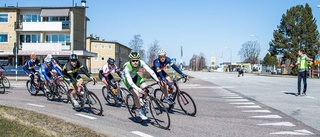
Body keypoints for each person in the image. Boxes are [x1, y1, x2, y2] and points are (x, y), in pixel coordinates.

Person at [122, 52, 160, 120]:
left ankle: (143, 102)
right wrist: (138, 89)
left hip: (135, 76)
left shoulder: (141, 62)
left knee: (146, 89)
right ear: (130, 60)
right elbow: (130, 82)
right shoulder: (126, 67)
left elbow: (150, 71)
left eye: (137, 60)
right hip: (128, 80)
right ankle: (139, 110)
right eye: (133, 61)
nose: (135, 62)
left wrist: (158, 80)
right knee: (136, 94)